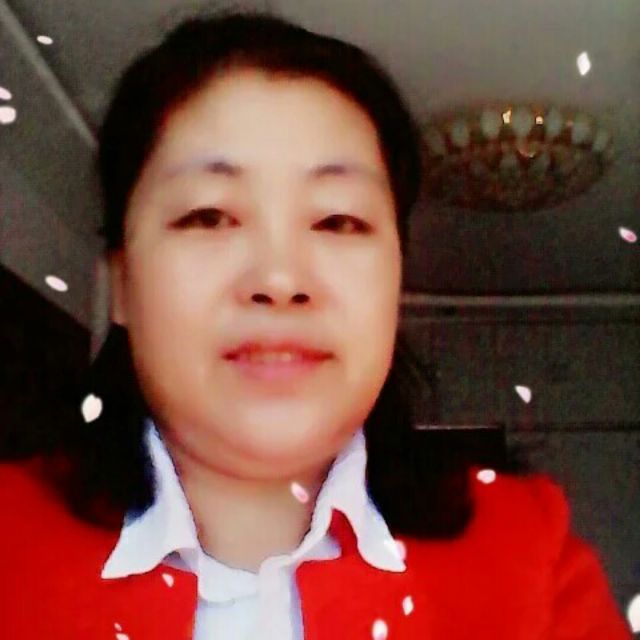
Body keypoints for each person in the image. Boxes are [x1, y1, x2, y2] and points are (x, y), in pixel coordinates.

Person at [0, 9, 631, 640]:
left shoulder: (527, 554)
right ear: (121, 283)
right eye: (209, 216)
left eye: (338, 221)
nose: (280, 279)